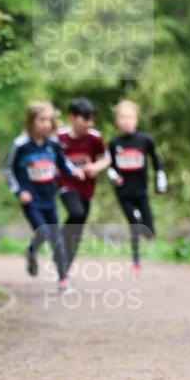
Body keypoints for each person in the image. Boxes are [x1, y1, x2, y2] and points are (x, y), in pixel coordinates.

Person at [4, 101, 84, 290]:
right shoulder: (21, 144)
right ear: (31, 122)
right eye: (42, 120)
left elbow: (63, 163)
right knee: (44, 232)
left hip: (49, 198)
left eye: (49, 120)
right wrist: (19, 191)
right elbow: (8, 169)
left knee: (56, 237)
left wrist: (74, 172)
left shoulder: (53, 144)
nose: (47, 124)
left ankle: (63, 280)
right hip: (31, 200)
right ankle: (32, 251)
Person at [107, 100, 168, 272]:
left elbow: (156, 160)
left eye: (130, 117)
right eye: (122, 117)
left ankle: (144, 226)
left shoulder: (145, 140)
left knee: (148, 230)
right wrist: (114, 176)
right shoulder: (114, 143)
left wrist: (160, 179)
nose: (126, 121)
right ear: (117, 120)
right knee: (133, 225)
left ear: (136, 119)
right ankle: (136, 260)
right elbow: (109, 165)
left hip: (141, 191)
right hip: (123, 193)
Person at [56, 97, 111, 270]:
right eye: (85, 119)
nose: (89, 123)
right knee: (76, 213)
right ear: (72, 117)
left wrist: (96, 167)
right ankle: (59, 248)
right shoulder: (59, 137)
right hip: (66, 184)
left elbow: (106, 159)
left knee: (77, 229)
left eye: (91, 119)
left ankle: (64, 265)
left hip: (86, 188)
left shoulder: (95, 138)